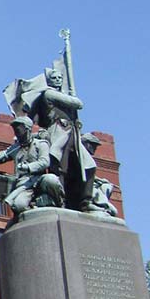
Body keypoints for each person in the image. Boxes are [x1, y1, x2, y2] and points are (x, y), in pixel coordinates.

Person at [24, 66, 96, 211]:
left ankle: (86, 200)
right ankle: (60, 199)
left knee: (89, 165)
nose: (57, 80)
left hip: (72, 133)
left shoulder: (59, 94)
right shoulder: (49, 94)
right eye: (54, 78)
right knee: (59, 166)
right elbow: (78, 104)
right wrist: (72, 96)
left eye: (59, 78)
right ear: (49, 81)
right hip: (58, 131)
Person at [0, 116, 64, 215]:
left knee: (51, 179)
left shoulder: (41, 144)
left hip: (39, 180)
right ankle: (36, 214)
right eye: (14, 128)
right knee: (18, 205)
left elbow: (45, 162)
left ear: (27, 128)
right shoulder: (15, 148)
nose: (15, 131)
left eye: (18, 128)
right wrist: (0, 156)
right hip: (24, 184)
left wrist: (28, 167)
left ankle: (59, 203)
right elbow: (2, 157)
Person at [81, 133, 119, 217]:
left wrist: (99, 180)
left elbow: (89, 173)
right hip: (82, 186)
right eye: (93, 145)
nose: (95, 149)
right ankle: (88, 203)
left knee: (106, 186)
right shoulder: (80, 155)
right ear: (87, 144)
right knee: (113, 211)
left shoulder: (86, 157)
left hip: (91, 185)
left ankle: (102, 206)